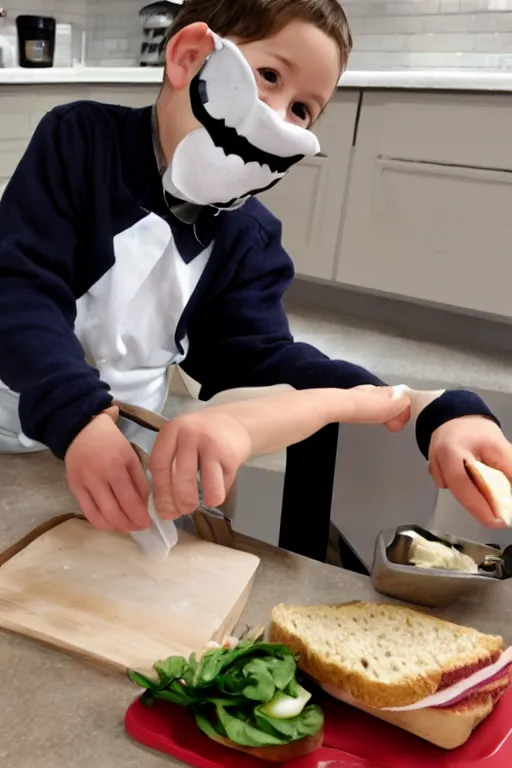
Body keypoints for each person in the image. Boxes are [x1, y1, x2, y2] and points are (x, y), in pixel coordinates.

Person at [0, 0, 510, 535]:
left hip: (126, 451)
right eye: (269, 77)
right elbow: (21, 289)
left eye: (302, 111)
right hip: (16, 428)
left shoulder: (249, 235)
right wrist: (77, 416)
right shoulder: (80, 141)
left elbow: (259, 358)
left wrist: (435, 410)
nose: (278, 119)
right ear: (190, 57)